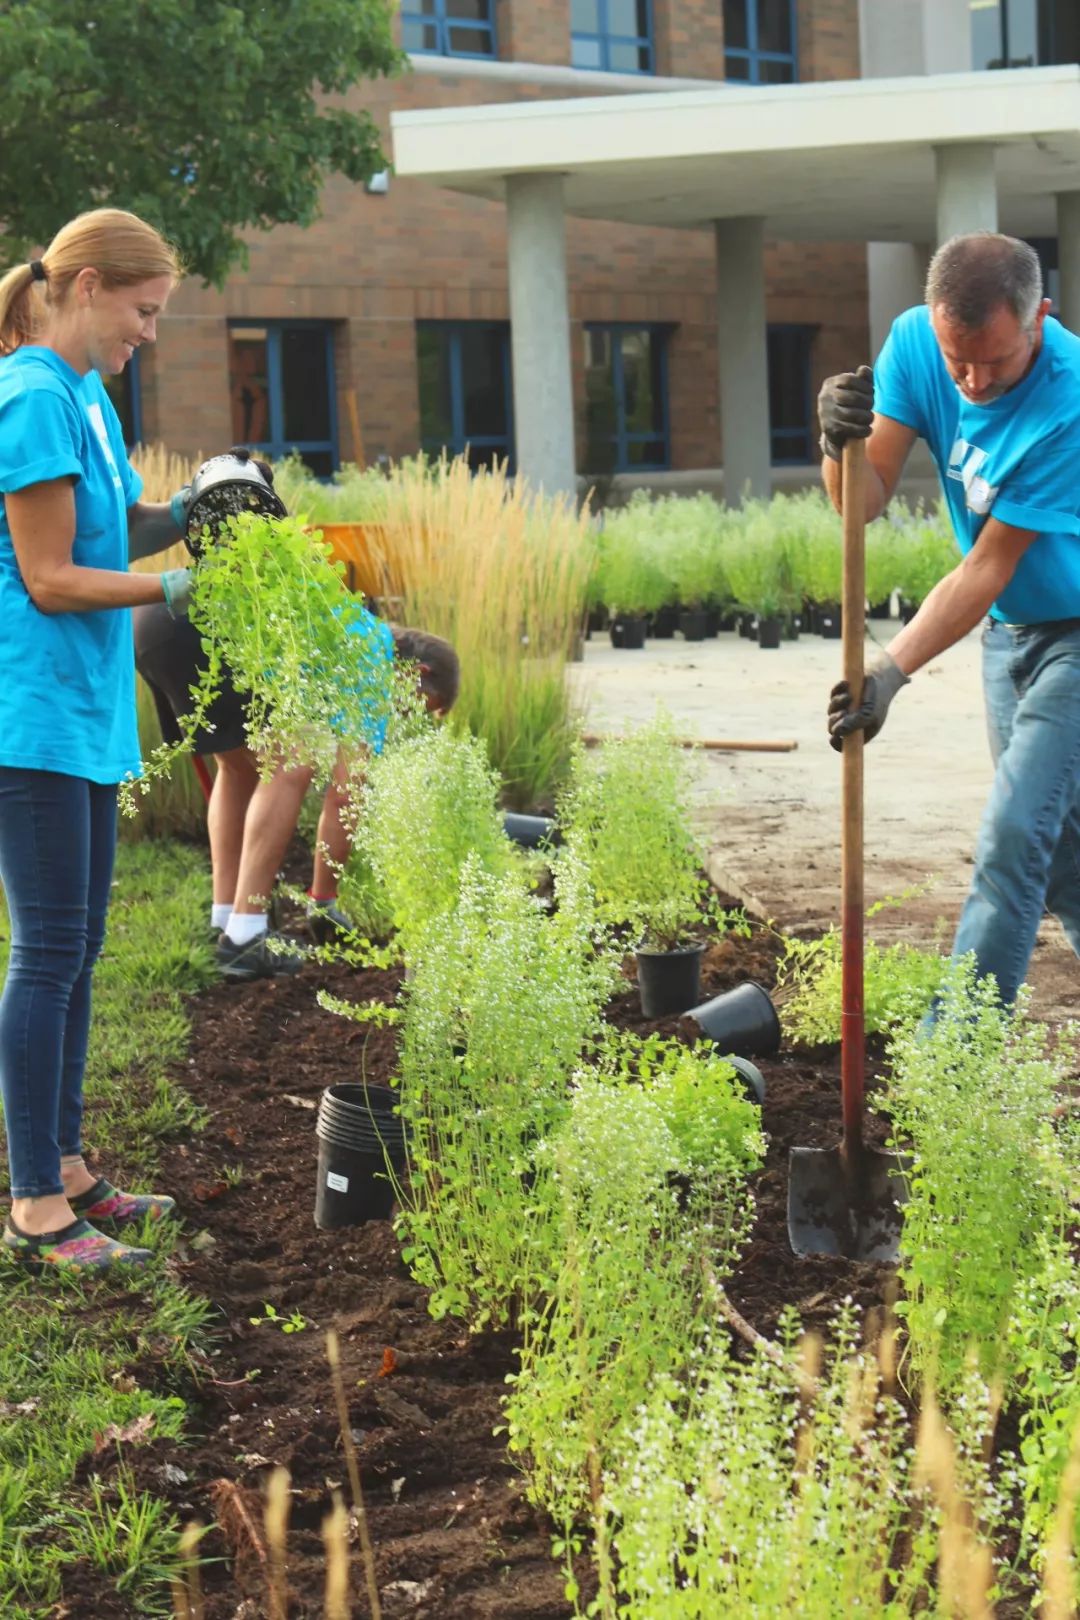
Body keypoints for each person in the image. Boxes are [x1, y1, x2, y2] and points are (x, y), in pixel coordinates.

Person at [0, 208, 198, 1273]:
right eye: (141, 310)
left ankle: (69, 1165)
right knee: (44, 955)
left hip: (82, 714)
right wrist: (177, 583)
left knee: (77, 950)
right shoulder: (29, 394)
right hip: (25, 715)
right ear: (83, 287)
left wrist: (204, 507)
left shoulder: (86, 392)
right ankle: (34, 1204)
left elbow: (114, 523)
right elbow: (50, 578)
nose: (149, 334)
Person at [820, 231, 1080, 1008]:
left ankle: (954, 1052)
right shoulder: (913, 343)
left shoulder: (1069, 399)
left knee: (1013, 834)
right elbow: (859, 506)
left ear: (1040, 318)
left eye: (993, 361)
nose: (969, 379)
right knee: (1062, 852)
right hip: (1009, 635)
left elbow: (989, 563)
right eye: (955, 358)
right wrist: (837, 441)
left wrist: (888, 670)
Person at [134, 597, 459, 980]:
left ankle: (226, 921)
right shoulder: (372, 658)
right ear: (414, 672)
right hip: (204, 625)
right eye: (418, 704)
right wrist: (323, 900)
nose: (404, 714)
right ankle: (246, 937)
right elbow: (345, 795)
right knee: (297, 756)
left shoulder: (349, 623)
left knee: (237, 767)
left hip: (156, 619)